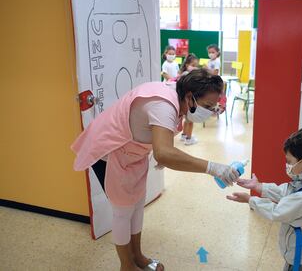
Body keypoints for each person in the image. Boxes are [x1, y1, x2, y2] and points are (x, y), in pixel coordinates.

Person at [71, 69, 240, 271]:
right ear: (190, 97)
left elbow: (159, 139)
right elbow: (164, 153)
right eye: (208, 106)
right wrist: (212, 168)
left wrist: (161, 150)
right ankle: (126, 266)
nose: (211, 111)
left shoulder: (179, 96)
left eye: (214, 107)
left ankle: (138, 256)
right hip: (111, 151)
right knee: (123, 212)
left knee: (137, 205)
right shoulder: (163, 104)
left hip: (134, 154)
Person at [227, 127, 302, 271]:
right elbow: (286, 192)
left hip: (299, 259)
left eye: (289, 161)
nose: (287, 165)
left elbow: (277, 211)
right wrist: (258, 186)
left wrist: (250, 200)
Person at [178, 53, 199, 145]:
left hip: (184, 100)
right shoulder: (188, 75)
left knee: (186, 120)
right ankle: (189, 138)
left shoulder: (184, 74)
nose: (195, 68)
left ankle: (184, 134)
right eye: (193, 65)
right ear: (187, 65)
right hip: (189, 101)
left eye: (196, 66)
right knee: (190, 120)